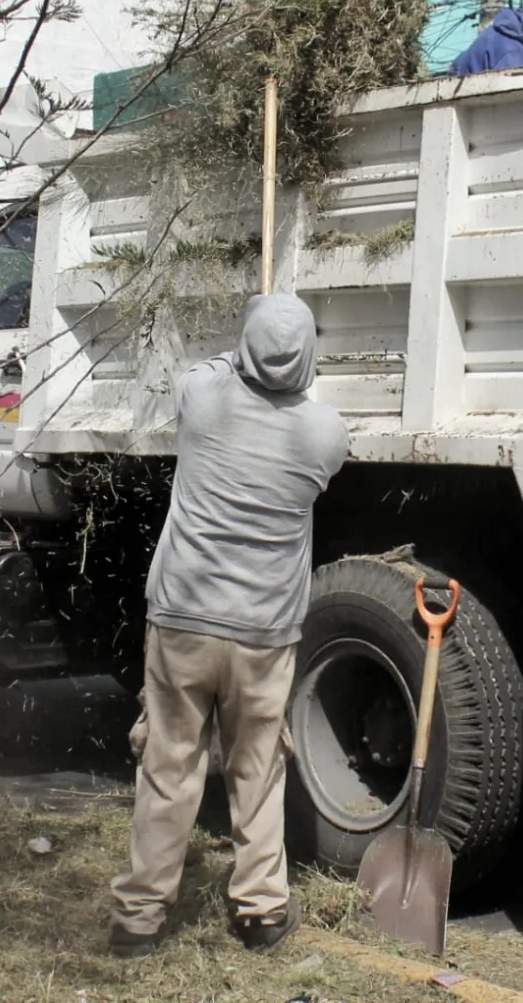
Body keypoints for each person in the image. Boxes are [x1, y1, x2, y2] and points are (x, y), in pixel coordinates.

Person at [108, 293, 349, 958]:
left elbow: (210, 369)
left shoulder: (205, 403)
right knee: (257, 770)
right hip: (262, 635)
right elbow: (286, 384)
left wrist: (250, 327)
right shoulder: (324, 433)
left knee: (168, 766)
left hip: (184, 620)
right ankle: (262, 914)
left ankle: (139, 920)